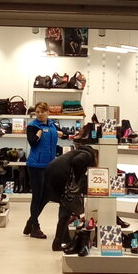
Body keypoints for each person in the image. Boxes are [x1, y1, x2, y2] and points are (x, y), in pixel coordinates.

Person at [44, 145, 98, 251]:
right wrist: (78, 180)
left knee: (64, 204)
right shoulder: (87, 155)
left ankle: (65, 238)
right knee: (66, 207)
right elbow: (77, 162)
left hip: (53, 173)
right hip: (60, 175)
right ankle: (58, 242)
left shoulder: (78, 152)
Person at [24, 101, 60, 239]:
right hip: (36, 165)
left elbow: (58, 136)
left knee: (46, 197)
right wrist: (38, 134)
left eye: (42, 112)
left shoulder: (51, 125)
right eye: (37, 112)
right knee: (37, 196)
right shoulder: (33, 126)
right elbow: (33, 143)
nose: (39, 114)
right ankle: (35, 227)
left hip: (49, 165)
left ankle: (30, 222)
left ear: (48, 112)